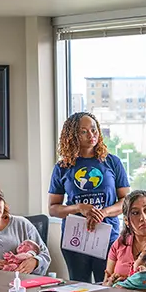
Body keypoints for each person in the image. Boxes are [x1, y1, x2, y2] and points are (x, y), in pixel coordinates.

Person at [49, 112, 131, 283]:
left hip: (108, 237)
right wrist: (79, 208)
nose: (91, 135)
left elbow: (126, 202)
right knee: (80, 288)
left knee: (109, 288)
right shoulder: (63, 167)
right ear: (72, 136)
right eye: (83, 131)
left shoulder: (112, 162)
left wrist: (105, 212)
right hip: (76, 238)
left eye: (93, 130)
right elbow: (53, 208)